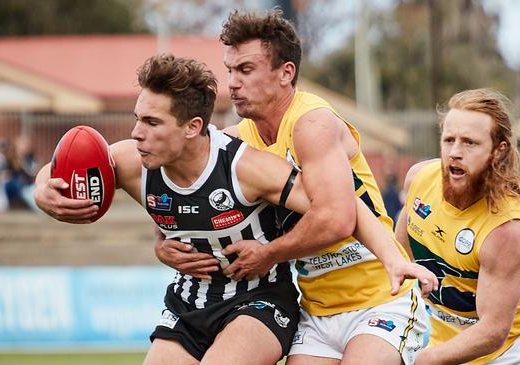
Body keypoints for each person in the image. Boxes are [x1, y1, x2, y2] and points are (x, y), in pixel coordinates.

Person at [34, 54, 435, 365]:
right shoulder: (132, 161)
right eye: (137, 119)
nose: (137, 133)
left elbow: (338, 207)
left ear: (192, 127)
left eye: (152, 123)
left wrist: (392, 258)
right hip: (188, 302)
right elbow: (63, 166)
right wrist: (41, 192)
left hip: (258, 302)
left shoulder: (247, 166)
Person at [156, 8, 433, 365]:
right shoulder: (239, 142)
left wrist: (269, 254)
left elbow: (336, 219)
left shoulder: (311, 124)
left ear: (286, 73)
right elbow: (178, 167)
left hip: (379, 300)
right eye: (229, 70)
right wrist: (163, 244)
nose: (233, 83)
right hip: (316, 312)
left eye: (245, 69)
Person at [394, 88, 520, 365]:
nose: (455, 152)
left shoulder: (507, 228)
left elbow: (492, 331)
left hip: (512, 356)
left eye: (470, 143)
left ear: (498, 151)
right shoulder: (419, 179)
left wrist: (424, 360)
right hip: (444, 348)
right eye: (449, 140)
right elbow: (398, 256)